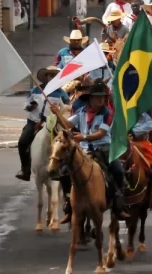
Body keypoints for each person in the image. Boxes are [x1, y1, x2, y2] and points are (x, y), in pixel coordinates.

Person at [51, 80, 130, 224]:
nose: (101, 100)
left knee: (118, 170)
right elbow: (68, 124)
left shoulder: (108, 113)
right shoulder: (81, 112)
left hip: (103, 147)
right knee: (63, 171)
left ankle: (119, 204)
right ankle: (69, 203)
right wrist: (57, 114)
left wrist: (84, 137)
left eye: (103, 97)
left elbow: (101, 133)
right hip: (85, 149)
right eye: (98, 97)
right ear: (91, 98)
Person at [16, 66, 70, 181]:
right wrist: (31, 106)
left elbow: (67, 109)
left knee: (64, 144)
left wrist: (59, 111)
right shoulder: (36, 90)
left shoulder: (62, 94)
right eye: (50, 75)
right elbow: (26, 104)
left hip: (52, 124)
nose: (52, 78)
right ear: (46, 77)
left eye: (54, 76)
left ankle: (61, 170)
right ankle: (25, 169)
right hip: (34, 122)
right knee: (22, 142)